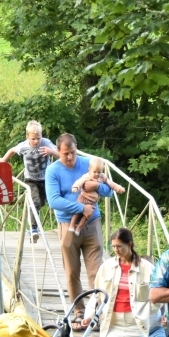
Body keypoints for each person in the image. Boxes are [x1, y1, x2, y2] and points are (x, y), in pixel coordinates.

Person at [45, 134, 112, 314]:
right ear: (58, 152)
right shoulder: (53, 170)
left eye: (73, 152)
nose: (70, 157)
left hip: (92, 224)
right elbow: (53, 201)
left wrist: (96, 186)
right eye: (66, 153)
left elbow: (109, 192)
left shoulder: (90, 164)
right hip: (68, 224)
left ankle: (96, 312)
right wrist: (80, 207)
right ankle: (79, 312)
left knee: (96, 271)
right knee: (72, 272)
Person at [3, 121, 58, 238]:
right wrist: (3, 162)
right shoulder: (23, 146)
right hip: (30, 180)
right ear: (27, 137)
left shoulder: (46, 143)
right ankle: (33, 229)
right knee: (35, 202)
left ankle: (59, 224)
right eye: (33, 139)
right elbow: (12, 151)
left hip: (46, 179)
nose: (36, 141)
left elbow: (60, 154)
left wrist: (51, 152)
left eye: (38, 138)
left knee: (45, 202)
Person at [67, 157, 125, 234]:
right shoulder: (87, 176)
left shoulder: (102, 177)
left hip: (92, 202)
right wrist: (76, 187)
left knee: (87, 216)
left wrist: (118, 188)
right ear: (89, 169)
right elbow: (80, 181)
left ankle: (78, 228)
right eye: (95, 172)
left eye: (99, 172)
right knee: (77, 212)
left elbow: (110, 183)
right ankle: (72, 225)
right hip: (83, 198)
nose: (97, 174)